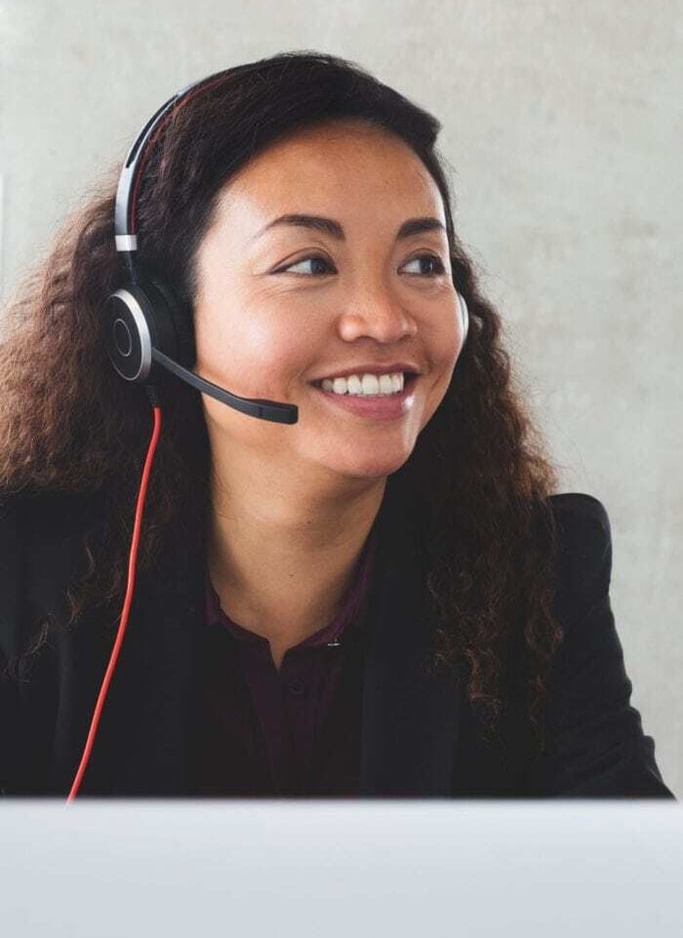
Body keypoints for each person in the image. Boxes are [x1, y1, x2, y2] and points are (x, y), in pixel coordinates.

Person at [0, 51, 674, 798]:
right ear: (157, 324)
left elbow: (629, 881)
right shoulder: (20, 573)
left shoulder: (536, 575)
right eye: (310, 263)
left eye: (422, 264)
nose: (384, 319)